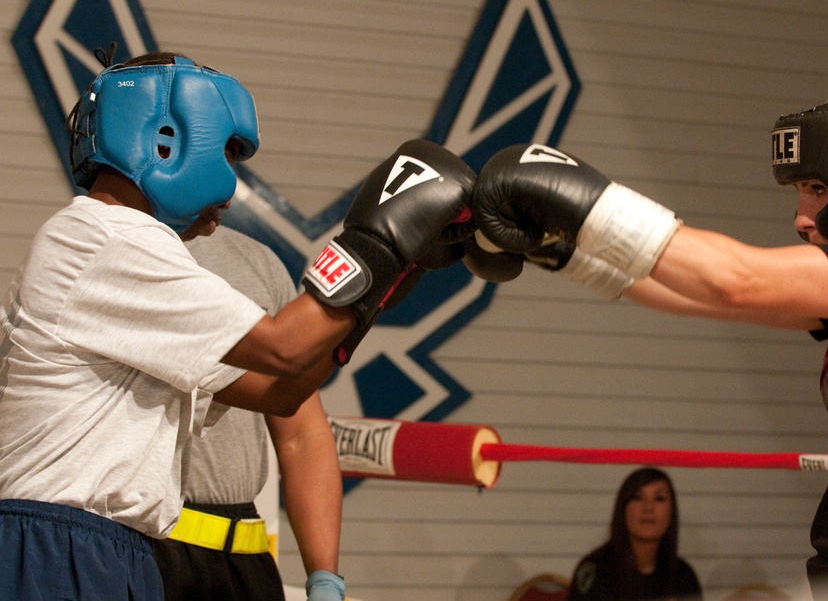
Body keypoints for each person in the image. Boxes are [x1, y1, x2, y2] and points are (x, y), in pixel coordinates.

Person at [469, 72, 828, 600]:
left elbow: (736, 282)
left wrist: (588, 205)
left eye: (817, 190)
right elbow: (706, 298)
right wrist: (563, 252)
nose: (801, 217)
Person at [0, 49, 475, 601]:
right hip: (63, 547)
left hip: (113, 549)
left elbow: (283, 391)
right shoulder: (107, 237)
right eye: (223, 153)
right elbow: (284, 349)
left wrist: (390, 274)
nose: (229, 191)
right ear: (165, 137)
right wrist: (376, 240)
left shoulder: (130, 255)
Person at [151, 225, 342, 601]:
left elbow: (302, 433)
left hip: (246, 562)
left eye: (233, 159)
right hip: (150, 549)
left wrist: (325, 580)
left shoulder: (257, 262)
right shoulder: (122, 251)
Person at [567, 467, 702, 601]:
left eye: (659, 498)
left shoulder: (683, 575)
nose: (648, 507)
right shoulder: (595, 570)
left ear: (672, 512)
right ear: (623, 509)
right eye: (638, 498)